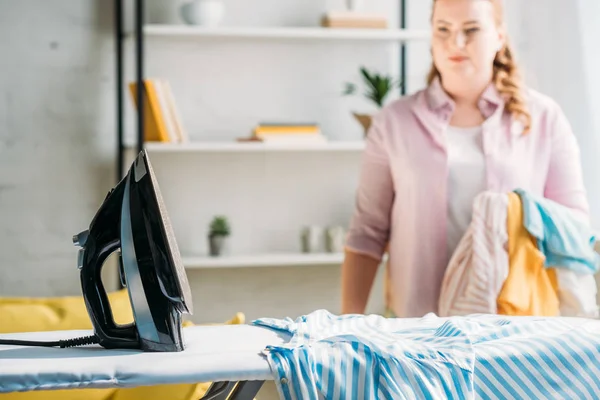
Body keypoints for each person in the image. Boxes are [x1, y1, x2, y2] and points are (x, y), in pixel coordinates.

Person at [341, 0, 590, 318]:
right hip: (417, 328)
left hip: (514, 326)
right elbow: (367, 232)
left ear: (499, 37)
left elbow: (576, 227)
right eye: (443, 29)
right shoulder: (394, 122)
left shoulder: (543, 118)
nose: (455, 43)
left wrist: (520, 211)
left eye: (471, 30)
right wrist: (348, 323)